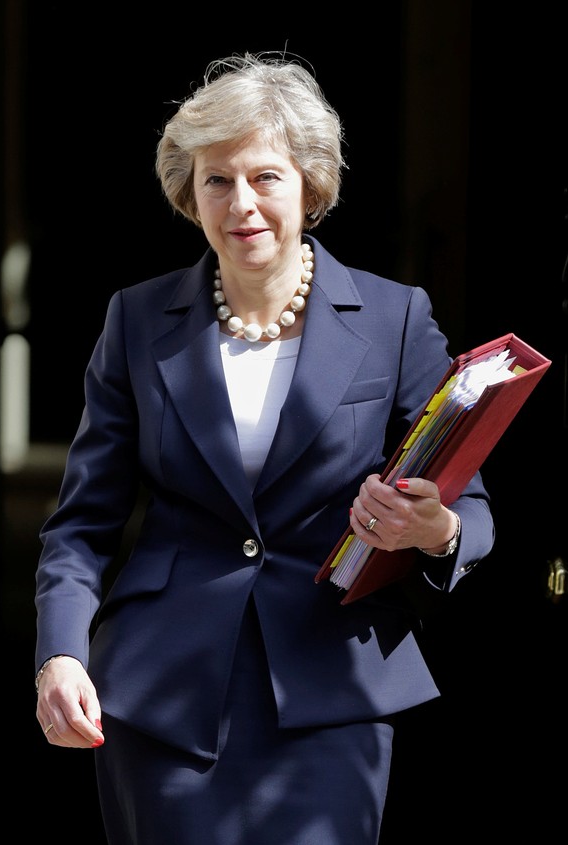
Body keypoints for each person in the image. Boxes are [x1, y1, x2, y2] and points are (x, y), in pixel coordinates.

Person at [34, 51, 495, 845]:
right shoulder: (136, 321)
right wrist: (59, 656)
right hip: (162, 698)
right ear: (190, 194)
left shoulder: (394, 318)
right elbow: (81, 524)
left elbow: (472, 510)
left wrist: (434, 530)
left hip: (332, 689)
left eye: (265, 177)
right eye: (217, 180)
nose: (241, 203)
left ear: (310, 184)